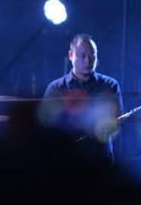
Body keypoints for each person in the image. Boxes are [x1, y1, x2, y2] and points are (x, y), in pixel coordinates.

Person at [41, 33, 123, 164]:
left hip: (100, 162)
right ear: (70, 55)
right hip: (64, 162)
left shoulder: (110, 85)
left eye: (92, 55)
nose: (88, 60)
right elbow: (45, 126)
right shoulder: (56, 88)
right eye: (82, 55)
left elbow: (118, 124)